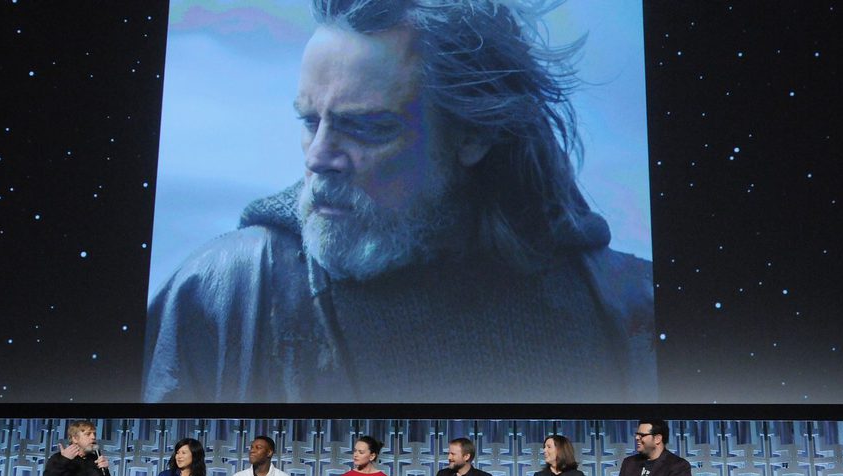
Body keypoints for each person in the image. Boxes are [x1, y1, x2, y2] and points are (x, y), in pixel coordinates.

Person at [142, 0, 656, 404]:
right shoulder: (221, 295)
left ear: (472, 135)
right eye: (308, 121)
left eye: (366, 127)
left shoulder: (626, 305)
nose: (319, 157)